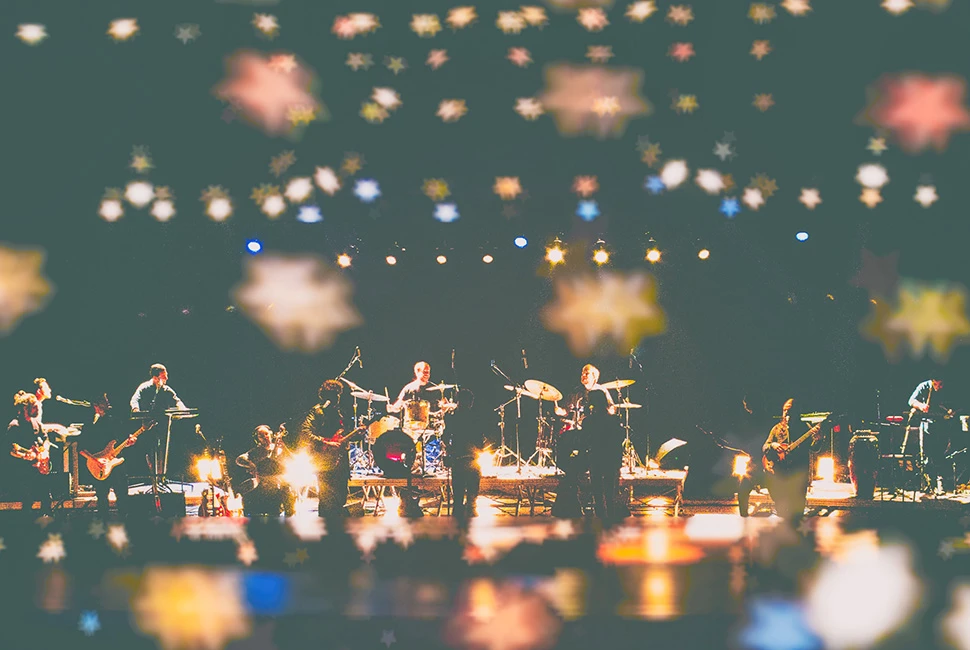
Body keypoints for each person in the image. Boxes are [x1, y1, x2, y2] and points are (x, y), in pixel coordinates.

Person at [553, 364, 618, 518]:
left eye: (587, 373)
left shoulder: (602, 391)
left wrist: (600, 416)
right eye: (582, 372)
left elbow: (612, 409)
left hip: (596, 435)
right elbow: (566, 410)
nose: (583, 375)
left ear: (595, 376)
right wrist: (559, 411)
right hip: (580, 432)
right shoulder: (576, 392)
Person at [762, 398, 822, 522]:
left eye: (789, 411)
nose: (786, 414)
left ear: (797, 412)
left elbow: (815, 448)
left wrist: (819, 439)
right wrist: (773, 445)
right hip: (781, 473)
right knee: (782, 510)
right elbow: (765, 447)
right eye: (785, 411)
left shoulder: (806, 428)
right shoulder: (776, 429)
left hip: (799, 472)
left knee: (798, 512)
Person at [79, 394, 137, 516]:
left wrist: (129, 441)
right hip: (99, 465)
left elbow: (123, 439)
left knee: (122, 495)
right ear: (96, 406)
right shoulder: (89, 424)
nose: (108, 403)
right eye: (104, 401)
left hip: (116, 464)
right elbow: (81, 448)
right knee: (102, 499)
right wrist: (95, 460)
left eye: (107, 401)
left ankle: (124, 522)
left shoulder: (115, 420)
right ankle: (103, 525)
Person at [301, 380, 351, 518]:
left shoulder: (341, 413)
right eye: (334, 394)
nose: (337, 398)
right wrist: (326, 442)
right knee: (326, 500)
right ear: (326, 396)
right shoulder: (317, 411)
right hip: (324, 462)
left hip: (340, 462)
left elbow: (347, 435)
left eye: (338, 394)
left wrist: (357, 434)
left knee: (341, 498)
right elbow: (306, 433)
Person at [5, 391, 54, 516]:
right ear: (25, 408)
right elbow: (11, 450)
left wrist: (45, 452)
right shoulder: (15, 426)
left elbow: (46, 440)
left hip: (39, 469)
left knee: (47, 498)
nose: (38, 409)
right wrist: (24, 456)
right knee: (28, 501)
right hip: (23, 472)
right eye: (35, 407)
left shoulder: (36, 423)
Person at [906, 378, 953, 495]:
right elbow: (911, 400)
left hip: (942, 425)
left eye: (941, 384)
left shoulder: (946, 388)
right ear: (932, 381)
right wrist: (921, 406)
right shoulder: (924, 386)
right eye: (936, 384)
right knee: (926, 455)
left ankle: (939, 485)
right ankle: (927, 484)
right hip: (927, 424)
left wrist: (951, 412)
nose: (939, 387)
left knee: (940, 455)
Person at [236, 424, 295, 517]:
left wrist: (283, 447)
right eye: (261, 436)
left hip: (281, 484)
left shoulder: (279, 447)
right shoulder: (256, 451)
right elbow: (239, 459)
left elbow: (292, 458)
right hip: (265, 486)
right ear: (257, 439)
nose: (265, 437)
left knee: (289, 502)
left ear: (271, 434)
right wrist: (250, 464)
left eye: (266, 434)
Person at [444, 389, 486, 517]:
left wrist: (448, 448)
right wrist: (480, 448)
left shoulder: (451, 417)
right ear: (471, 403)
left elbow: (445, 437)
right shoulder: (477, 418)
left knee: (458, 487)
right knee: (473, 483)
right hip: (472, 457)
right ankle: (471, 506)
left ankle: (458, 509)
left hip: (457, 457)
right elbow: (480, 440)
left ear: (458, 402)